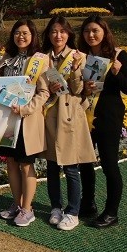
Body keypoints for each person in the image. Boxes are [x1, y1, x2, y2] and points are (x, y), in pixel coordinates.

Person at [78, 15, 127, 229]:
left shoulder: (118, 55)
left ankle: (111, 212)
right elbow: (77, 87)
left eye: (95, 31)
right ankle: (87, 203)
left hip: (109, 116)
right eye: (86, 31)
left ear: (104, 32)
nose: (91, 35)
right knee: (84, 161)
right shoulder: (81, 57)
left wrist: (118, 73)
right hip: (85, 114)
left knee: (109, 165)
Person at [41, 16, 96, 231]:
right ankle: (56, 206)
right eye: (54, 31)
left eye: (62, 31)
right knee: (52, 165)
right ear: (48, 34)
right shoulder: (42, 58)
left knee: (71, 166)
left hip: (70, 115)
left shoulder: (80, 57)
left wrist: (74, 69)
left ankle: (73, 211)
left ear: (68, 34)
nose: (58, 36)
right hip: (49, 115)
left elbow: (81, 90)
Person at [0, 19, 50, 227]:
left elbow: (44, 91)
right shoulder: (7, 58)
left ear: (33, 36)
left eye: (25, 33)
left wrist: (26, 109)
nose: (21, 36)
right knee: (11, 162)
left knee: (26, 164)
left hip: (27, 120)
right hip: (7, 121)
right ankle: (16, 204)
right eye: (17, 33)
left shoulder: (40, 60)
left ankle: (28, 208)